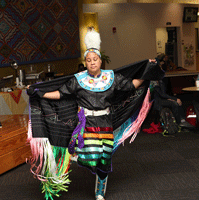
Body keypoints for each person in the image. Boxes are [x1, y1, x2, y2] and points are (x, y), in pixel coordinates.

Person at [27, 28, 163, 200]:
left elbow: (130, 86)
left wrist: (146, 71)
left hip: (106, 123)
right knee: (91, 157)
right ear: (86, 62)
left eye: (95, 59)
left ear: (100, 61)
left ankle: (100, 191)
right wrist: (40, 93)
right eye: (89, 60)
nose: (92, 62)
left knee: (104, 159)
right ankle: (79, 157)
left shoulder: (111, 77)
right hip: (86, 124)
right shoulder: (78, 80)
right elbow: (61, 94)